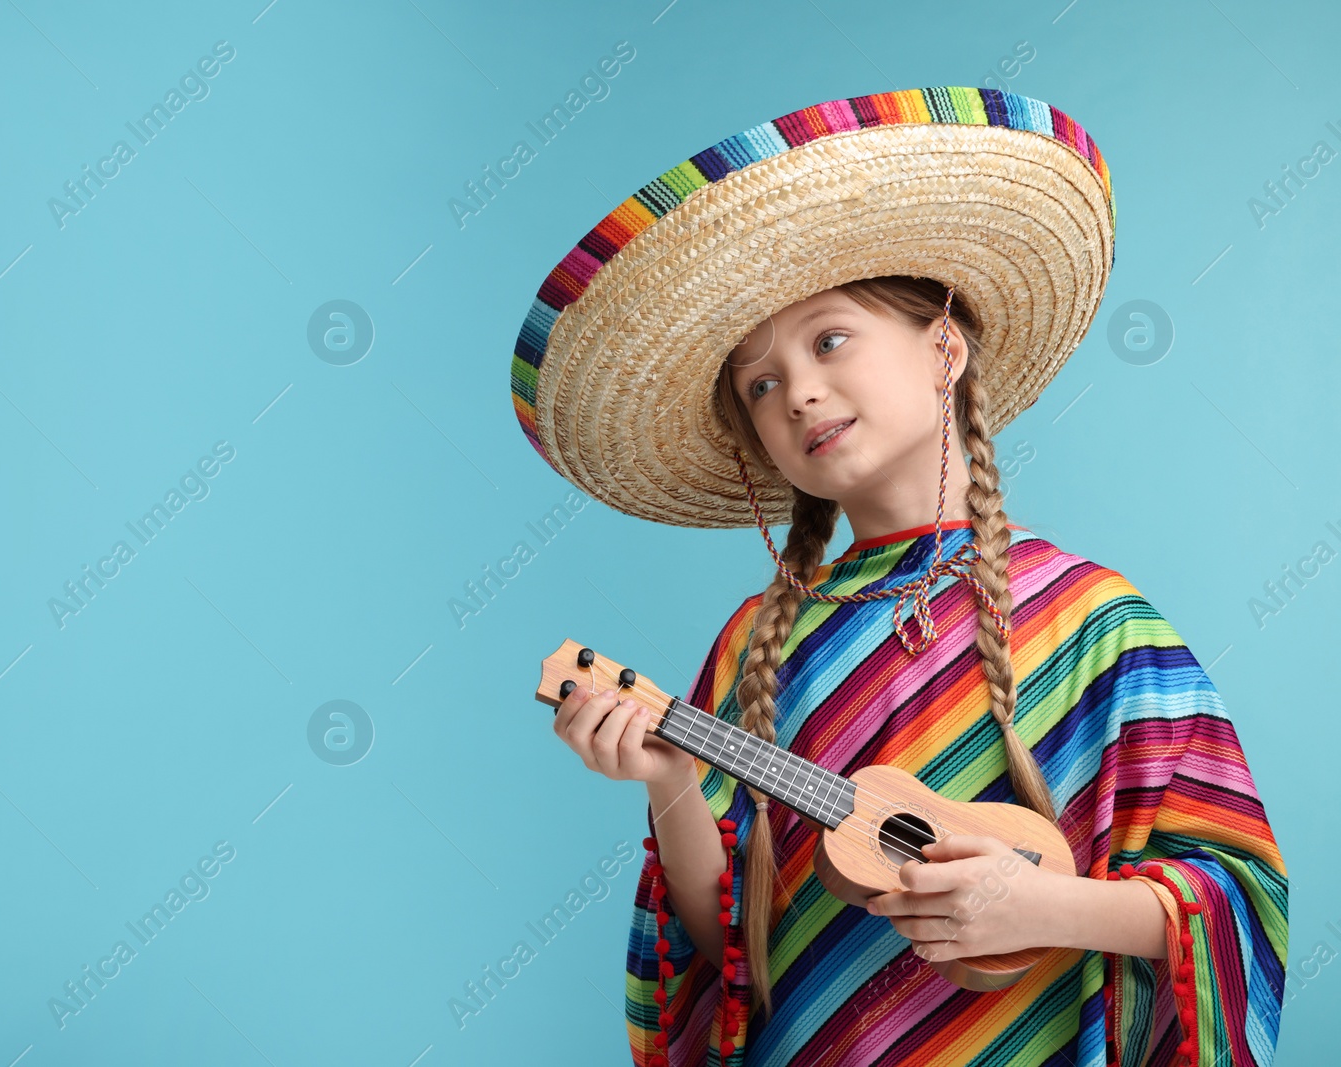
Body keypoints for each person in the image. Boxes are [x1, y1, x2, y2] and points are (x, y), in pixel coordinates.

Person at [510, 87, 1288, 1066]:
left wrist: (1040, 903)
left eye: (830, 339)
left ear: (943, 349)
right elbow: (731, 955)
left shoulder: (1094, 620)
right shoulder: (756, 643)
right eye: (758, 381)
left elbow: (1233, 893)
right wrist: (667, 779)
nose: (796, 388)